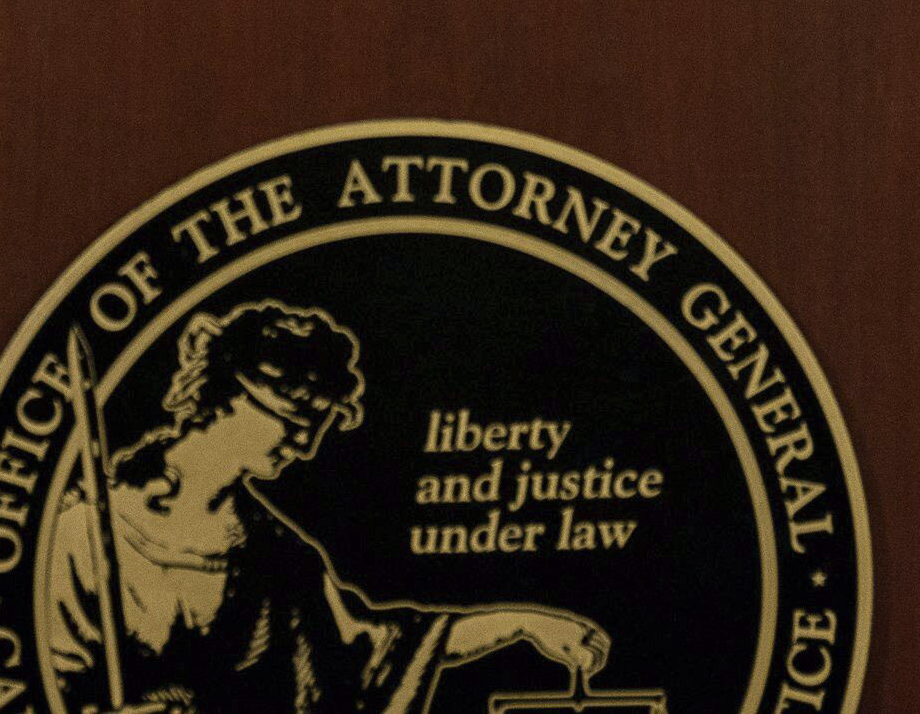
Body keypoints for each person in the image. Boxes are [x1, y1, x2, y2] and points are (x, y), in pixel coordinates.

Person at [43, 303, 606, 714]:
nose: (305, 446)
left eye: (316, 429)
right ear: (232, 395)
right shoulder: (87, 532)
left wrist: (523, 624)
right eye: (294, 421)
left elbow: (383, 652)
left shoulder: (281, 559)